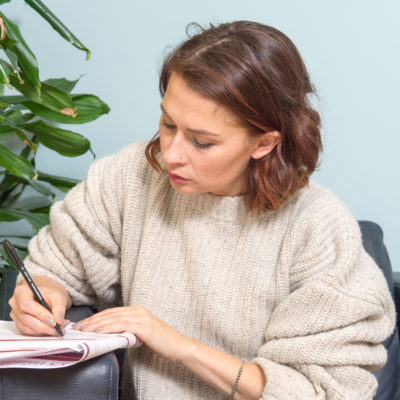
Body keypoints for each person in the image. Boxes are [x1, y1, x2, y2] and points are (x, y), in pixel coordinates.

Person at [9, 21, 395, 400]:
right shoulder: (130, 178)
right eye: (168, 123)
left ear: (264, 143)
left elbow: (320, 391)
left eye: (202, 142)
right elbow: (56, 268)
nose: (172, 154)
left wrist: (177, 345)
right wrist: (40, 292)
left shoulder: (317, 229)